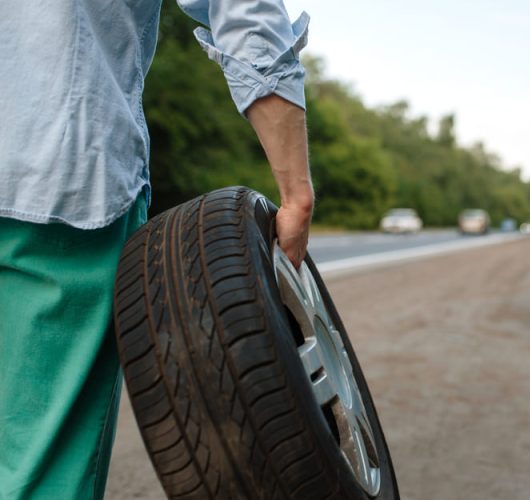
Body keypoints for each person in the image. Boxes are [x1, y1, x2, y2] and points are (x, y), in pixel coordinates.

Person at [0, 1, 314, 498]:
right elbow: (244, 13)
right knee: (38, 472)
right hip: (55, 175)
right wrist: (296, 192)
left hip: (49, 176)